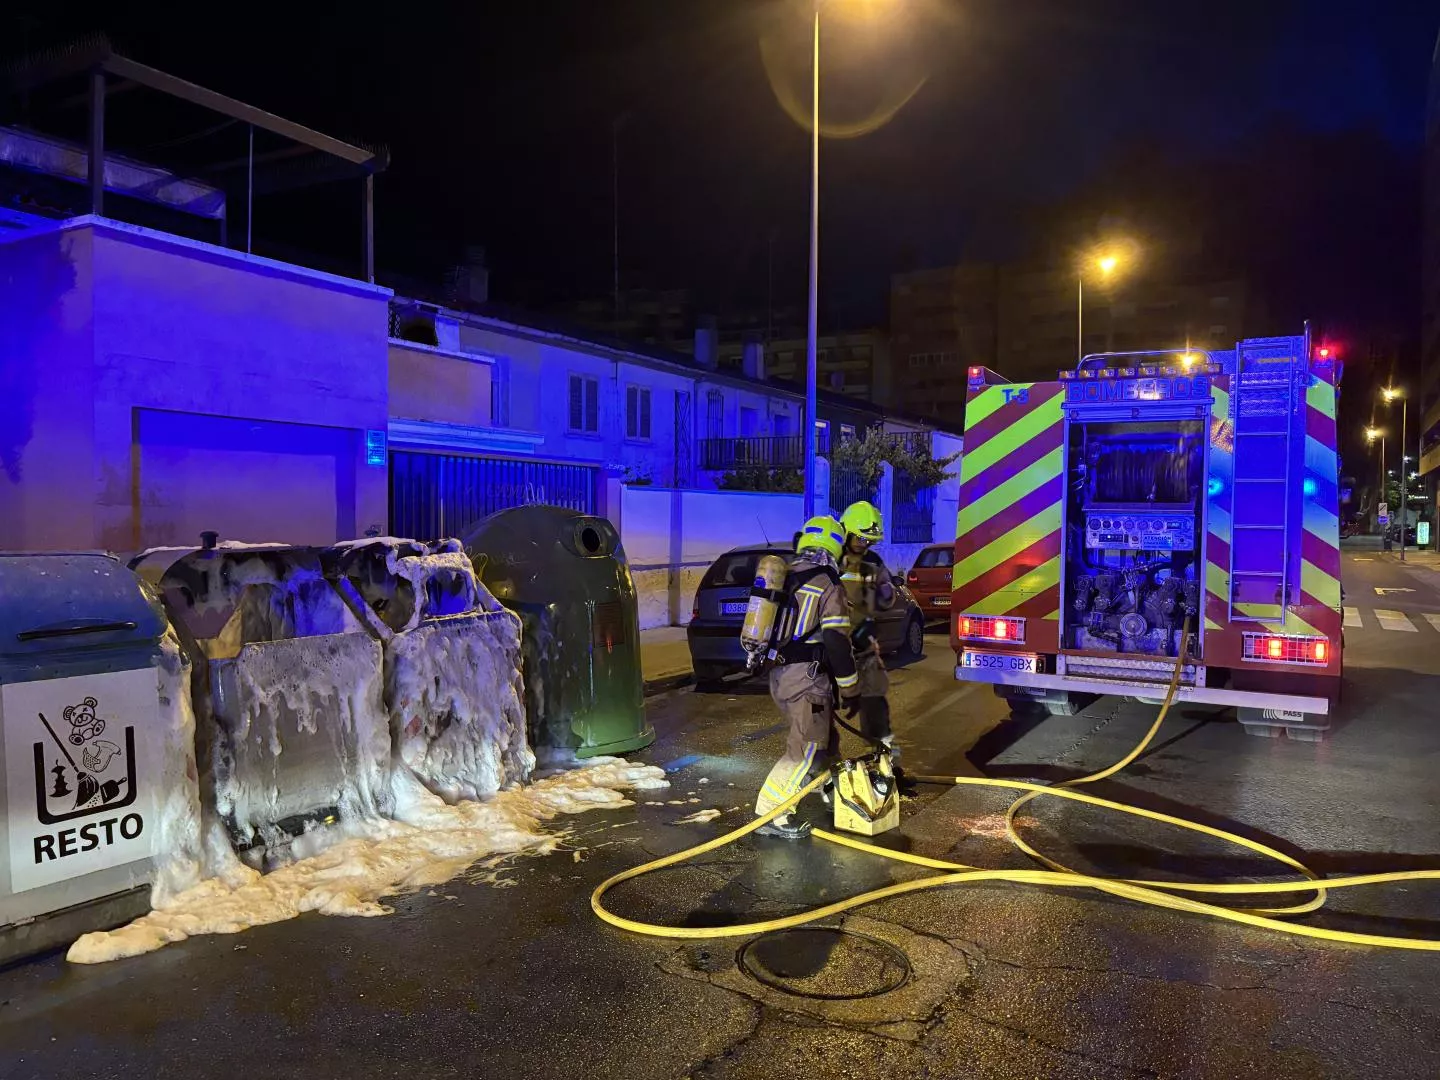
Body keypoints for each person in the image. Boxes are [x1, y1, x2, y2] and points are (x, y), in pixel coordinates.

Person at [753, 514, 859, 840]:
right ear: (834, 549)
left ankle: (834, 793)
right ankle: (772, 813)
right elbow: (838, 642)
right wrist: (850, 687)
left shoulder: (786, 576)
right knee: (806, 745)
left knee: (825, 738)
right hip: (807, 681)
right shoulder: (828, 585)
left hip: (781, 675)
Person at [838, 500, 899, 762]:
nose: (866, 544)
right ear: (847, 531)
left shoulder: (874, 562)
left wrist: (883, 593)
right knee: (821, 705)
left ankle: (883, 758)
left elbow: (888, 597)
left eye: (869, 540)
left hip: (863, 641)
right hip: (834, 643)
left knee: (875, 700)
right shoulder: (833, 559)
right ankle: (820, 765)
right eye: (861, 538)